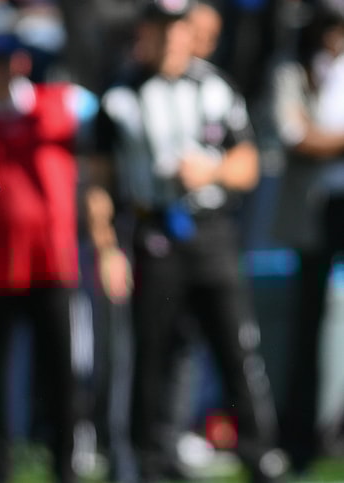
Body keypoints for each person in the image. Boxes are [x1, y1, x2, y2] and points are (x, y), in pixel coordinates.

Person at [88, 0, 287, 481]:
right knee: (154, 352)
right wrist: (106, 248)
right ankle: (150, 458)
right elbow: (98, 182)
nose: (172, 40)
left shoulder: (214, 86)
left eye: (178, 29)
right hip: (153, 232)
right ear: (146, 34)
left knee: (236, 344)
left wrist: (212, 170)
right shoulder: (119, 95)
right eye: (162, 30)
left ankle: (260, 452)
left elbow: (248, 165)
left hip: (212, 231)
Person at [0, 32, 95, 483]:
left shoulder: (61, 103)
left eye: (8, 60)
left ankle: (66, 468)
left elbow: (107, 114)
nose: (2, 69)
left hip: (52, 265)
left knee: (62, 377)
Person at [270, 3, 344, 475]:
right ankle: (299, 438)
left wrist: (327, 137)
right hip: (314, 213)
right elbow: (295, 135)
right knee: (307, 326)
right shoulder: (292, 72)